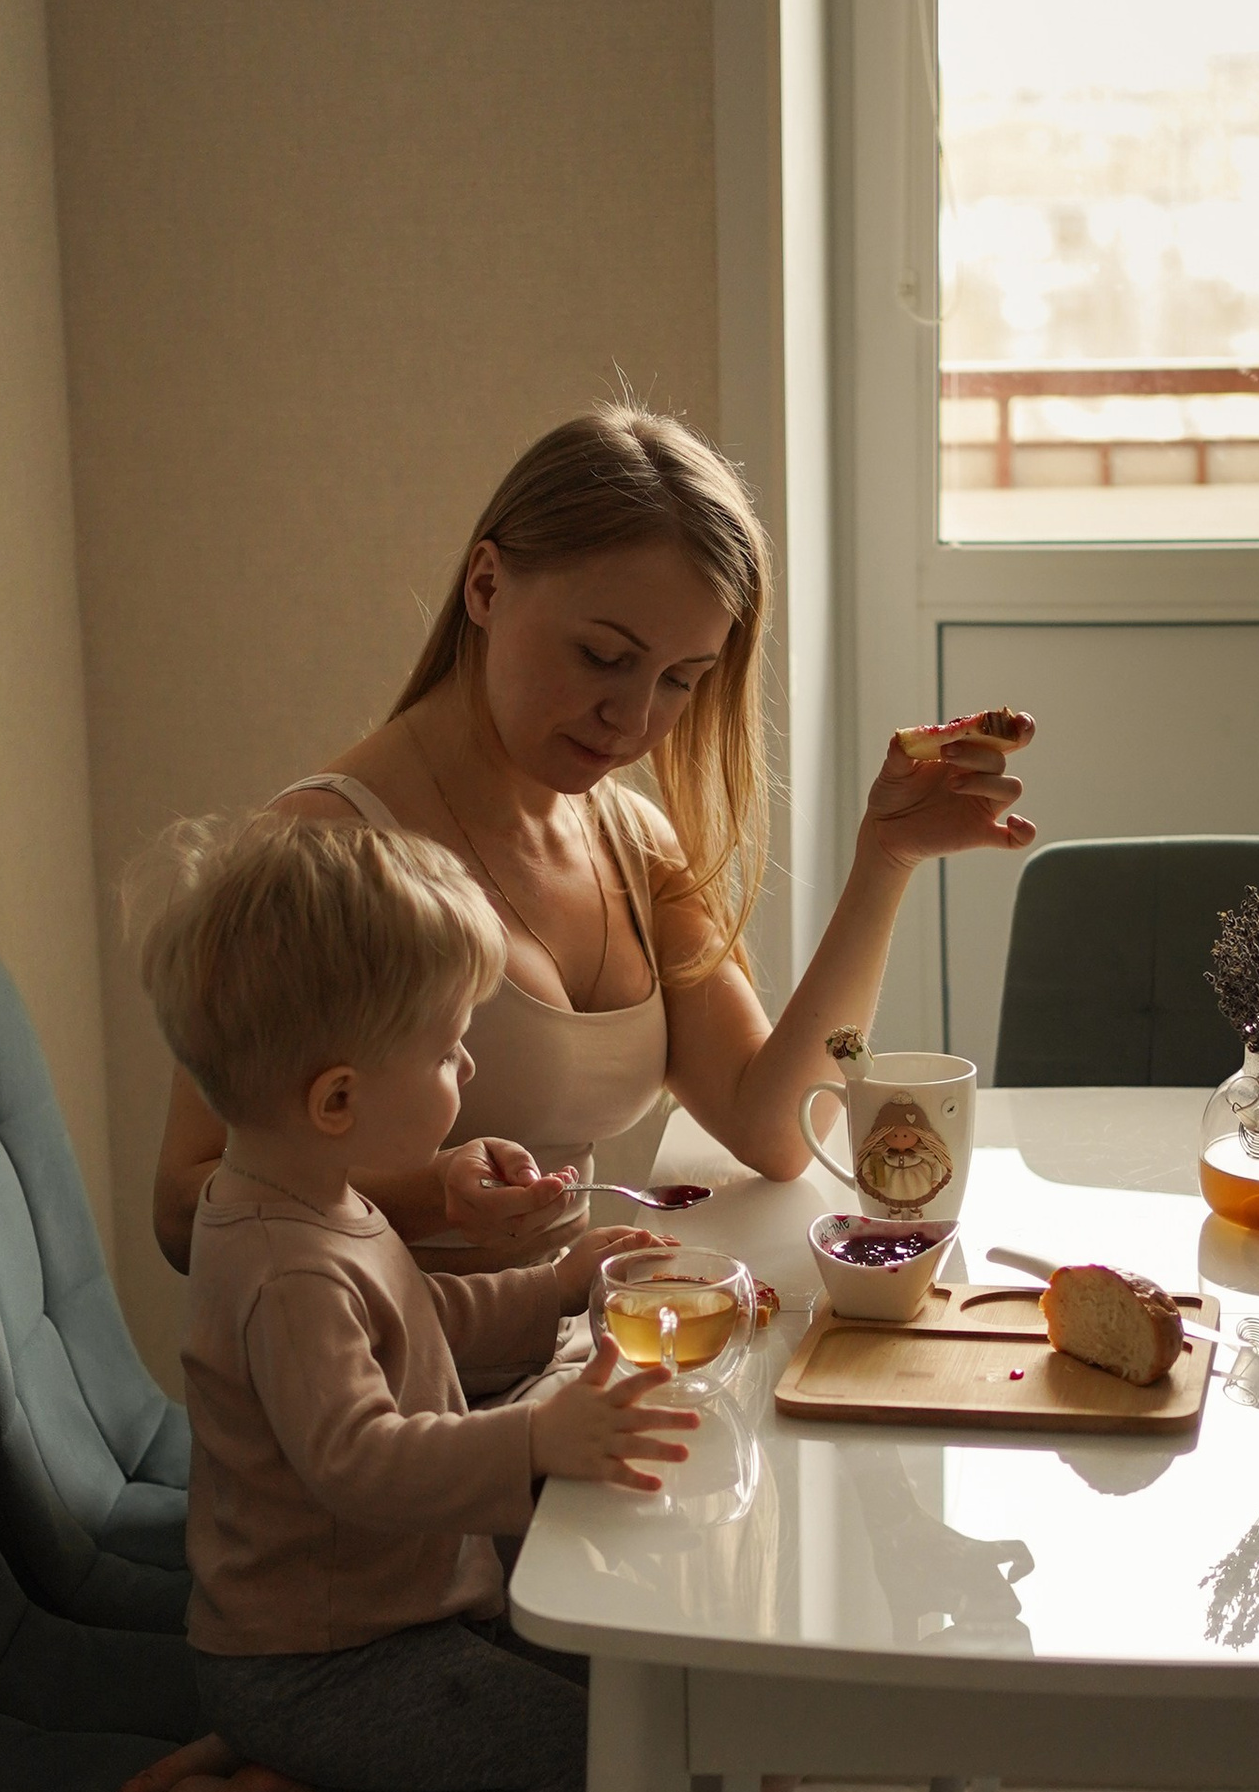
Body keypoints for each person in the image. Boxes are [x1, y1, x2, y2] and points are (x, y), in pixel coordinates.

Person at [151, 405, 1035, 1277]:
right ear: (487, 586)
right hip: (391, 1395)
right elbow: (182, 1207)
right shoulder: (325, 849)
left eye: (681, 680)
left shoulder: (629, 839)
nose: (634, 718)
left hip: (565, 1368)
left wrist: (884, 860)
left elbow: (773, 1127)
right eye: (603, 657)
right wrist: (431, 1197)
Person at [113, 809, 691, 1792]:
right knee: (609, 1773)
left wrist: (558, 1284)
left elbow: (421, 1320)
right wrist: (533, 1440)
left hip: (363, 1628)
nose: (465, 1069)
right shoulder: (287, 1265)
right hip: (328, 1664)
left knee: (621, 1668)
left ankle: (272, 1750)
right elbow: (359, 1458)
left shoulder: (309, 1197)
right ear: (337, 1097)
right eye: (446, 1048)